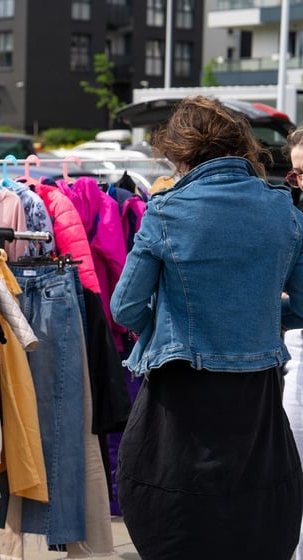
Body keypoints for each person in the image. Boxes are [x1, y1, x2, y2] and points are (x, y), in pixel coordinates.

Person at [110, 95, 303, 560]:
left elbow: (125, 308)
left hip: (179, 403)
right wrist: (253, 317)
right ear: (242, 146)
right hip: (255, 401)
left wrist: (173, 323)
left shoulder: (166, 210)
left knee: (175, 520)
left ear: (181, 152)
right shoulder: (284, 211)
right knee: (254, 521)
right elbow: (301, 306)